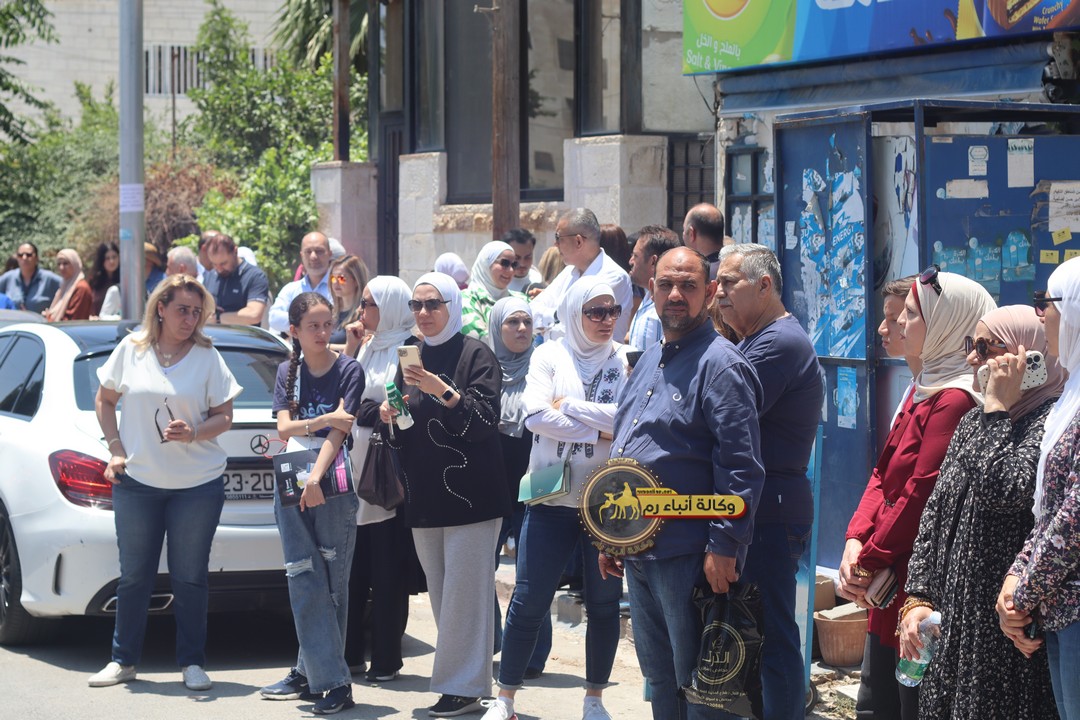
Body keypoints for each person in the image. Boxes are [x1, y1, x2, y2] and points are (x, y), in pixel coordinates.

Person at [599, 246, 765, 720]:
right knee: (660, 679)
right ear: (651, 289)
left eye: (688, 285)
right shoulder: (650, 358)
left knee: (701, 686)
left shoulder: (721, 365)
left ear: (709, 292)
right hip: (640, 548)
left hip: (689, 554)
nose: (676, 294)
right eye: (667, 284)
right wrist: (613, 534)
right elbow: (626, 446)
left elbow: (741, 466)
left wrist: (725, 545)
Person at [839, 268, 996, 720]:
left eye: (910, 314)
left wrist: (868, 560)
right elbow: (883, 474)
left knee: (908, 700)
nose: (898, 324)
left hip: (915, 581)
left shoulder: (955, 398)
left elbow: (920, 491)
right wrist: (854, 541)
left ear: (946, 322)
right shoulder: (923, 388)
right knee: (879, 699)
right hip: (888, 573)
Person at [900, 305, 1063, 720]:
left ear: (1031, 358)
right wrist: (918, 598)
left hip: (1004, 635)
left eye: (988, 347)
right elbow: (934, 516)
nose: (973, 357)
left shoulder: (1049, 424)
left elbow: (1004, 491)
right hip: (954, 624)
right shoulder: (973, 422)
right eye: (972, 344)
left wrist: (996, 406)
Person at [484, 278, 628, 720]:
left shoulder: (625, 359)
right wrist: (599, 432)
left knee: (603, 606)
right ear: (573, 314)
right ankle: (505, 699)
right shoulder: (549, 355)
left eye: (612, 311)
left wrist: (572, 408)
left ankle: (594, 700)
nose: (606, 320)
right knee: (529, 599)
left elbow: (627, 421)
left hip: (606, 504)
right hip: (550, 498)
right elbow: (534, 416)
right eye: (596, 312)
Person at [89, 275, 242, 691]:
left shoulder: (208, 356)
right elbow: (105, 400)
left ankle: (192, 663)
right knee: (134, 577)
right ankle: (123, 661)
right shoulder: (132, 349)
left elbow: (225, 417)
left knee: (189, 577)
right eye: (182, 310)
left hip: (198, 485)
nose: (190, 319)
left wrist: (193, 432)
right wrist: (115, 447)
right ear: (161, 308)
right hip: (137, 482)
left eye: (196, 312)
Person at [379, 272, 511, 718]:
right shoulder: (409, 357)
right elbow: (405, 430)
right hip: (425, 495)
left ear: (452, 305)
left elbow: (484, 423)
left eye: (433, 304)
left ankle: (463, 687)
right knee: (441, 594)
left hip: (473, 497)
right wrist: (392, 413)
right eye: (416, 305)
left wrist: (443, 391)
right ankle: (465, 681)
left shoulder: (476, 354)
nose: (423, 313)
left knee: (463, 596)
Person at [713, 243, 824, 720]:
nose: (718, 292)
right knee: (750, 633)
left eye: (728, 282)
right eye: (715, 283)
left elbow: (718, 412)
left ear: (764, 286)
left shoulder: (778, 342)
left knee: (773, 635)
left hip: (771, 511)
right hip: (758, 508)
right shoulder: (752, 339)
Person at [260, 292, 364, 715]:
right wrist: (321, 420)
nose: (322, 333)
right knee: (302, 574)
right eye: (313, 326)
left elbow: (341, 433)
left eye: (327, 324)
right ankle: (313, 674)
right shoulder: (288, 371)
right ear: (295, 331)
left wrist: (316, 478)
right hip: (291, 479)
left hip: (329, 480)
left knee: (332, 583)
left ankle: (332, 682)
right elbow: (285, 428)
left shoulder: (349, 370)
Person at [999, 259, 1080, 720]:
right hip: (1059, 608)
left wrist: (1021, 596)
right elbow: (1048, 511)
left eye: (1044, 302)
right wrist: (1016, 582)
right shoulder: (1071, 394)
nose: (1039, 314)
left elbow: (1072, 523)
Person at [343, 276, 421, 683]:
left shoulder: (408, 350)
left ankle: (387, 660)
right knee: (354, 570)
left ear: (389, 307)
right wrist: (351, 348)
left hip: (389, 474)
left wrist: (370, 411)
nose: (362, 311)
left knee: (388, 572)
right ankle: (351, 655)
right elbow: (345, 396)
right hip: (355, 471)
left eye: (369, 304)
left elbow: (407, 411)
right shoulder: (367, 346)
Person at [531, 209, 634, 342]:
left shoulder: (615, 277)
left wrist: (547, 325)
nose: (555, 244)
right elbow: (531, 312)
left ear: (578, 241)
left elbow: (577, 332)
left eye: (558, 237)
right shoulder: (569, 271)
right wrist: (556, 316)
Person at [626, 225, 681, 351]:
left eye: (635, 256)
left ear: (653, 262)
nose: (630, 261)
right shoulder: (648, 299)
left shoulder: (670, 308)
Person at [269, 232, 335, 334]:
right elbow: (274, 318)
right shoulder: (291, 289)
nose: (313, 256)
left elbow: (338, 321)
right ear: (301, 255)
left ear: (330, 254)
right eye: (308, 251)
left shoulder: (338, 287)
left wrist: (298, 324)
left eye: (319, 251)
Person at [202, 234, 271, 326]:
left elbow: (254, 315)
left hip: (242, 334)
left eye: (223, 263)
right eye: (214, 264)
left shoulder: (255, 276)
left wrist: (218, 318)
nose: (219, 269)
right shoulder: (210, 275)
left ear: (235, 252)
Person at [461, 240, 524, 340]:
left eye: (514, 265)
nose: (511, 270)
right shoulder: (466, 299)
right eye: (505, 263)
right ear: (486, 263)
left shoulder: (521, 299)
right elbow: (477, 337)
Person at [0, 241, 61, 312]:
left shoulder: (49, 278)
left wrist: (55, 311)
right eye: (20, 255)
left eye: (29, 255)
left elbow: (67, 290)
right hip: (13, 319)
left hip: (40, 319)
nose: (24, 258)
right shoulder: (8, 278)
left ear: (37, 258)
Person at [328, 255, 370, 347]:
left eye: (341, 278)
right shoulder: (330, 312)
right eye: (333, 278)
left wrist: (327, 347)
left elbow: (364, 347)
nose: (335, 283)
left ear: (356, 280)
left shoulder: (364, 314)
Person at [44, 248, 93, 321]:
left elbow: (73, 320)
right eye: (59, 264)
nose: (61, 267)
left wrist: (49, 319)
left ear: (74, 264)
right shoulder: (65, 286)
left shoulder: (81, 288)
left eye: (65, 263)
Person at [682, 204, 727, 280]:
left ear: (691, 233)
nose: (683, 235)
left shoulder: (692, 277)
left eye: (684, 230)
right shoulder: (739, 270)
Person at [88, 241, 120, 316]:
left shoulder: (124, 280)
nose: (112, 261)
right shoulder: (94, 281)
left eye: (114, 257)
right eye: (107, 258)